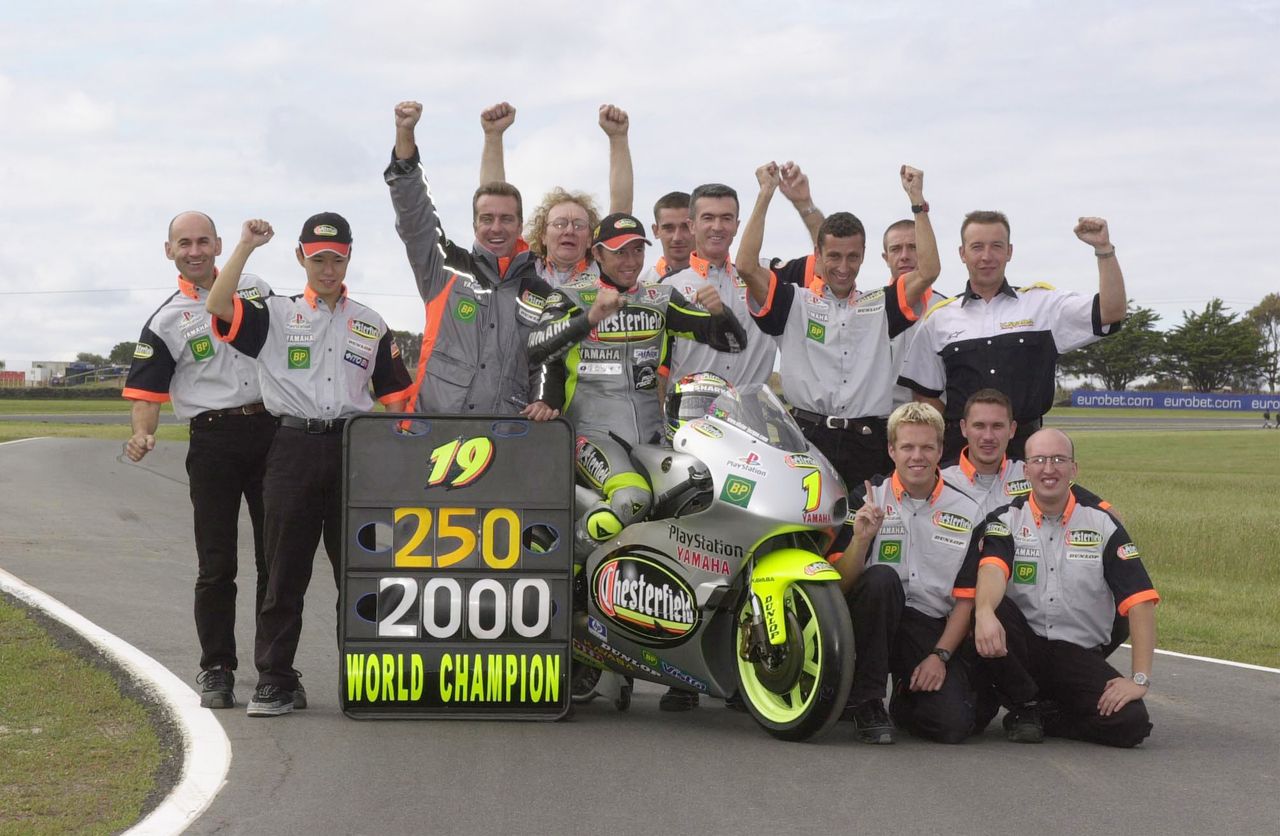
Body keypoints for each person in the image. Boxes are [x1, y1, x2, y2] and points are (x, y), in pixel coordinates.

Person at [207, 214, 413, 717]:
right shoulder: (275, 313)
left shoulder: (370, 322)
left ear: (348, 258)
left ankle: (366, 677)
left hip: (355, 452)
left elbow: (397, 397)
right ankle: (275, 681)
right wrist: (245, 246)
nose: (327, 268)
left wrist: (402, 455)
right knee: (284, 571)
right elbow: (217, 305)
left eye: (336, 259)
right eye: (318, 258)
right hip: (291, 447)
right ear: (301, 257)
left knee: (362, 571)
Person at [122, 211, 276, 709]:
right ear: (169, 251)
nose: (195, 251)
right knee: (216, 564)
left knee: (276, 560)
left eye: (203, 241)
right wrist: (142, 434)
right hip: (212, 440)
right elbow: (147, 391)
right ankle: (217, 668)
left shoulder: (256, 289)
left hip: (271, 432)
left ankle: (276, 671)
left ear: (218, 245)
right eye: (184, 243)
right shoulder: (165, 320)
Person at [737, 163, 939, 489]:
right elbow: (746, 266)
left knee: (866, 520)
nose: (843, 267)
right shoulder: (793, 301)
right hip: (807, 438)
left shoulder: (882, 304)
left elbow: (928, 271)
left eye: (852, 257)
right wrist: (765, 194)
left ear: (864, 255)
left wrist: (917, 201)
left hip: (867, 443)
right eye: (833, 256)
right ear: (817, 254)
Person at [957, 428, 1159, 747]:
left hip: (1075, 653)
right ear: (1026, 471)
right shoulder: (1005, 519)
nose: (1048, 469)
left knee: (1131, 722)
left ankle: (1048, 716)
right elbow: (993, 569)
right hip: (1022, 650)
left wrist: (1139, 679)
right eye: (1039, 460)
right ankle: (1024, 703)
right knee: (992, 610)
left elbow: (1140, 600)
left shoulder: (1102, 523)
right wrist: (983, 613)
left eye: (1058, 460)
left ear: (1073, 469)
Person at [899, 212, 1128, 462]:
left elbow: (1111, 311)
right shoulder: (939, 319)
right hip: (960, 455)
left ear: (1009, 251)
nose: (987, 256)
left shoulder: (1042, 305)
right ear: (962, 253)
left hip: (1026, 453)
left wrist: (1104, 250)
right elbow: (926, 398)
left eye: (996, 246)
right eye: (977, 247)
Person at [385, 101, 555, 418]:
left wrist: (546, 401)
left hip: (507, 435)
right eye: (487, 219)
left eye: (506, 219)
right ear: (474, 224)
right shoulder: (445, 268)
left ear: (520, 226)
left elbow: (548, 366)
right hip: (434, 431)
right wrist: (404, 138)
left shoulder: (541, 292)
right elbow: (415, 218)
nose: (496, 227)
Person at [834, 402, 981, 744]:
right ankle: (868, 700)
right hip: (870, 617)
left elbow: (966, 601)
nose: (917, 456)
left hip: (927, 623)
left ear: (940, 450)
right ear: (891, 450)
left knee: (953, 725)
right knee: (882, 578)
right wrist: (860, 541)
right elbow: (838, 585)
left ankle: (903, 698)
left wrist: (939, 656)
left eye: (927, 447)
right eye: (907, 447)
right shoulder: (866, 497)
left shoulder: (969, 510)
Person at [479, 101, 633, 287]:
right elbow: (494, 202)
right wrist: (493, 136)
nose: (569, 231)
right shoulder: (520, 268)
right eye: (559, 224)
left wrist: (618, 138)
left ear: (590, 240)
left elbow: (621, 214)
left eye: (579, 225)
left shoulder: (602, 272)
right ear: (543, 235)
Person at [638, 191, 695, 284]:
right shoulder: (641, 284)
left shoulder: (718, 279)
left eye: (686, 227)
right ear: (656, 231)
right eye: (668, 228)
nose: (677, 238)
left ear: (697, 228)